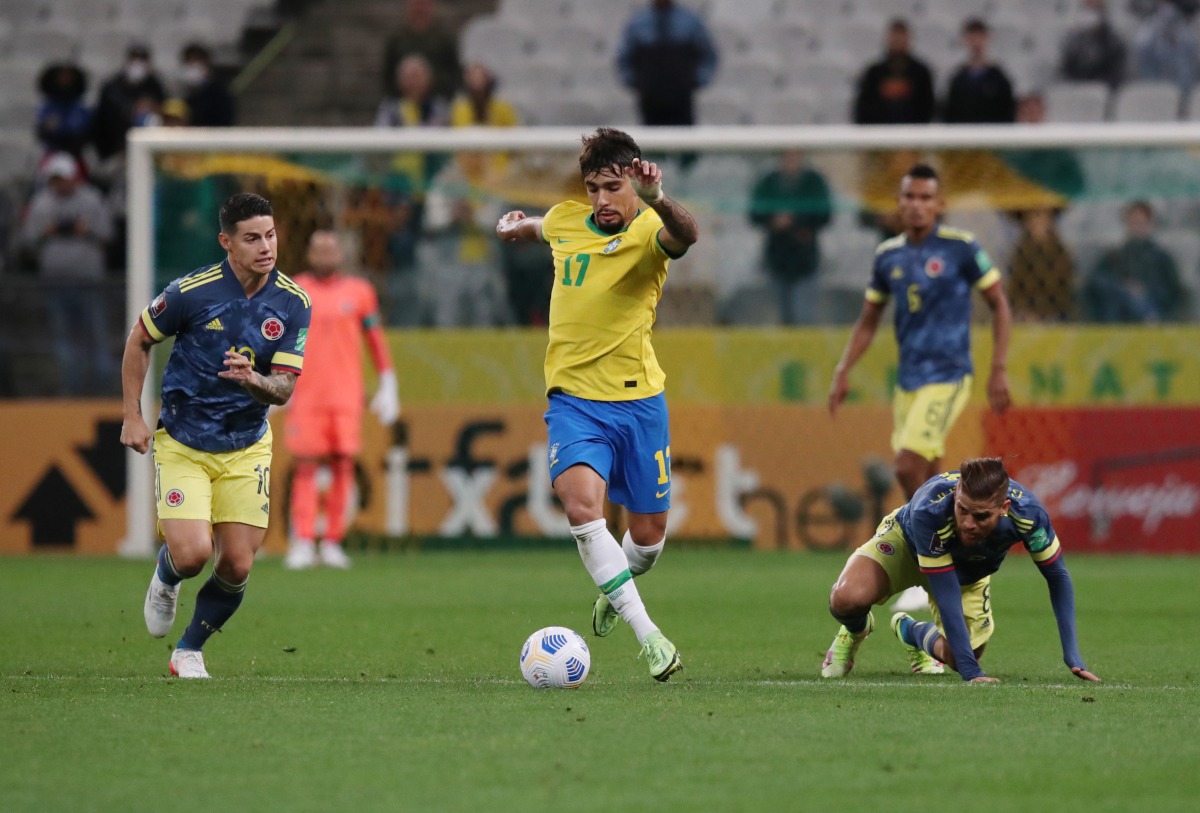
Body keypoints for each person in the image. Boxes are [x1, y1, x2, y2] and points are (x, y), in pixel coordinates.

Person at [494, 128, 699, 681]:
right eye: (594, 188)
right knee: (583, 510)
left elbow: (688, 233)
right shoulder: (565, 219)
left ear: (634, 180)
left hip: (639, 402)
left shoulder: (652, 228)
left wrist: (659, 199)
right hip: (574, 403)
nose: (603, 200)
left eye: (614, 187)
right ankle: (650, 637)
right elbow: (550, 227)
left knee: (649, 539)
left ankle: (617, 590)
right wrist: (520, 225)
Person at [120, 193, 311, 678]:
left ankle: (188, 650)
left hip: (246, 445)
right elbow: (140, 339)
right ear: (227, 242)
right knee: (192, 554)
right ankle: (167, 577)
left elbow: (285, 387)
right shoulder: (191, 292)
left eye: (270, 235)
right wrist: (133, 416)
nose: (266, 246)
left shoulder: (293, 302)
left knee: (237, 566)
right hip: (184, 441)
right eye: (252, 238)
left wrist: (255, 381)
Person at [829, 164, 1013, 614]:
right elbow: (870, 319)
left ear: (940, 204)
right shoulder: (888, 255)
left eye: (926, 198)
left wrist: (998, 369)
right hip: (908, 381)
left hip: (948, 374)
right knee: (929, 474)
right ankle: (952, 569)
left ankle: (936, 562)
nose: (916, 205)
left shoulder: (961, 248)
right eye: (909, 197)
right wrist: (843, 369)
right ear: (900, 203)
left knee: (906, 465)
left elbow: (1000, 305)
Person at [819, 457, 1101, 684]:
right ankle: (855, 629)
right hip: (907, 544)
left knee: (958, 655)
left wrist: (1072, 655)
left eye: (980, 516)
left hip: (969, 572)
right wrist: (972, 673)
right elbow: (946, 594)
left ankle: (911, 632)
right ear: (956, 494)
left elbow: (1057, 576)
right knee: (846, 598)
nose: (967, 523)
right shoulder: (929, 511)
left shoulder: (1028, 515)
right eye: (962, 509)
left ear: (1004, 508)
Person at [283, 230, 400, 569]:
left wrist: (388, 381)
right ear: (309, 253)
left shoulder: (360, 292)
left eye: (331, 249)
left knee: (342, 466)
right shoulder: (295, 291)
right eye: (319, 249)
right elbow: (276, 337)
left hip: (346, 395)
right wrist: (276, 381)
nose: (325, 255)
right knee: (305, 466)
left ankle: (332, 541)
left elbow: (375, 339)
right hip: (306, 394)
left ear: (340, 254)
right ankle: (304, 539)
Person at [20, 152, 115, 396]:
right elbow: (27, 241)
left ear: (74, 177)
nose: (60, 183)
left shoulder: (91, 199)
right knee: (64, 339)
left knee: (96, 334)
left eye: (64, 178)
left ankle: (102, 386)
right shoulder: (42, 203)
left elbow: (108, 234)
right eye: (55, 179)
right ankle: (71, 387)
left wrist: (86, 229)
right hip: (55, 284)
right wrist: (47, 231)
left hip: (89, 282)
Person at [746, 150, 834, 325]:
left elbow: (824, 214)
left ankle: (803, 350)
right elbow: (755, 213)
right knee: (782, 318)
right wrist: (774, 220)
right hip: (776, 258)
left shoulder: (813, 181)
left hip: (805, 259)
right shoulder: (769, 181)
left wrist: (795, 221)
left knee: (804, 317)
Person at [1083, 200, 1191, 322]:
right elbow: (1095, 281)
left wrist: (1143, 291)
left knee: (1137, 301)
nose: (1136, 227)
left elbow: (1172, 291)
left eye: (1141, 223)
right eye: (1133, 223)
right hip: (1119, 306)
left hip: (1151, 303)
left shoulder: (1161, 257)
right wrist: (1124, 287)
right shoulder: (1114, 255)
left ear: (1150, 224)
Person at [616, 0, 719, 126]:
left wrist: (697, 80)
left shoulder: (690, 22)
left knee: (683, 140)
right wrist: (635, 82)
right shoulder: (638, 23)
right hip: (649, 97)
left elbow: (708, 54)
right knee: (651, 140)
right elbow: (623, 57)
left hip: (681, 97)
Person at [853, 19, 936, 125]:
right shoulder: (874, 73)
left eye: (901, 37)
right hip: (880, 133)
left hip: (913, 133)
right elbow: (864, 107)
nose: (898, 41)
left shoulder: (921, 73)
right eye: (894, 37)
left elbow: (927, 106)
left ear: (908, 39)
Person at [93, 43, 167, 162]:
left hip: (151, 150)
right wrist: (132, 109)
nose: (138, 64)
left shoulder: (155, 86)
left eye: (142, 59)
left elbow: (165, 112)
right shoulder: (112, 87)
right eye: (134, 59)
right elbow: (103, 122)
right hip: (117, 151)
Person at [380, 0, 461, 101]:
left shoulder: (444, 38)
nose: (419, 8)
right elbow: (388, 75)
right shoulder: (396, 39)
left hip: (438, 102)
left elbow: (455, 74)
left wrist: (429, 82)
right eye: (416, 4)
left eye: (423, 4)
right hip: (402, 103)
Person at [1007, 208, 1077, 322]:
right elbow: (1015, 288)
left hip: (1056, 314)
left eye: (1041, 216)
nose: (1037, 223)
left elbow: (1064, 290)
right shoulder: (1021, 253)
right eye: (1031, 218)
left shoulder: (1060, 252)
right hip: (1026, 315)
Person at [943, 19, 1016, 124]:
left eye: (980, 37)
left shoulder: (999, 79)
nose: (976, 43)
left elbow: (1007, 113)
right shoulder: (957, 79)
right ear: (966, 40)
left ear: (987, 39)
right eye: (972, 38)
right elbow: (950, 115)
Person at [1059, 0, 1127, 88]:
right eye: (1088, 6)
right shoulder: (1071, 40)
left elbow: (1118, 72)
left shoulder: (1114, 41)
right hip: (1076, 89)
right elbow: (1066, 70)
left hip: (1105, 90)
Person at [178, 43, 235, 127]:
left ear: (207, 63)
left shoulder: (219, 93)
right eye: (189, 61)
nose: (192, 66)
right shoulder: (181, 92)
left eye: (196, 61)